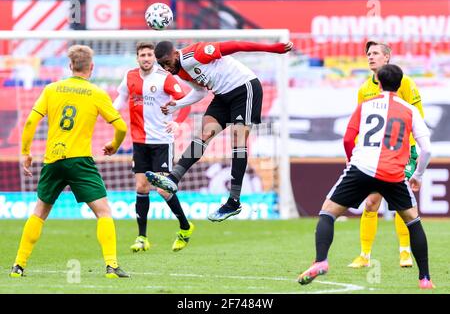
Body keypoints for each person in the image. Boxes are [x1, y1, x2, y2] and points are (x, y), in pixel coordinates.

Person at [298, 64, 434, 289]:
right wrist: (418, 175)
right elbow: (427, 149)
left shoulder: (365, 105)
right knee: (413, 221)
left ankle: (321, 260)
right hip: (393, 173)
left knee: (328, 212)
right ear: (401, 85)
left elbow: (348, 138)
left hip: (361, 168)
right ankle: (425, 279)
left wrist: (352, 160)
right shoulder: (409, 110)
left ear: (378, 82)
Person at [10, 45, 130, 278]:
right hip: (80, 161)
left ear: (70, 66)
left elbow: (29, 123)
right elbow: (121, 127)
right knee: (103, 212)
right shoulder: (96, 93)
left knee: (39, 212)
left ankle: (18, 265)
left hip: (53, 159)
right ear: (91, 67)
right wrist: (114, 145)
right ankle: (112, 266)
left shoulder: (52, 89)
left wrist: (25, 151)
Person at [144, 39, 293, 222]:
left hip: (244, 88)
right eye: (162, 65)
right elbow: (200, 92)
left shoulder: (196, 54)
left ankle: (233, 201)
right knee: (204, 133)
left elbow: (236, 45)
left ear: (175, 54)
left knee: (238, 139)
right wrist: (178, 104)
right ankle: (173, 179)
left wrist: (272, 48)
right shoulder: (180, 72)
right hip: (222, 96)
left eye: (167, 63)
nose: (166, 68)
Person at [348, 41, 425, 269]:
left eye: (375, 53)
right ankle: (364, 255)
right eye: (368, 54)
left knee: (402, 204)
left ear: (387, 58)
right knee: (371, 202)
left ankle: (404, 252)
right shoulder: (364, 89)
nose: (370, 57)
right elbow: (361, 124)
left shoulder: (406, 84)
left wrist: (414, 149)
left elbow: (417, 117)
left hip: (402, 151)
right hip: (375, 154)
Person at [114, 42, 194, 252]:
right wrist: (109, 116)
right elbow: (121, 98)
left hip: (161, 141)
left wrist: (178, 122)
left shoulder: (164, 77)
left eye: (150, 54)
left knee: (162, 188)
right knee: (141, 187)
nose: (147, 58)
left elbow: (186, 101)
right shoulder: (129, 76)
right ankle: (142, 238)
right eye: (143, 55)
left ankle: (185, 227)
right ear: (137, 58)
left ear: (154, 57)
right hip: (139, 141)